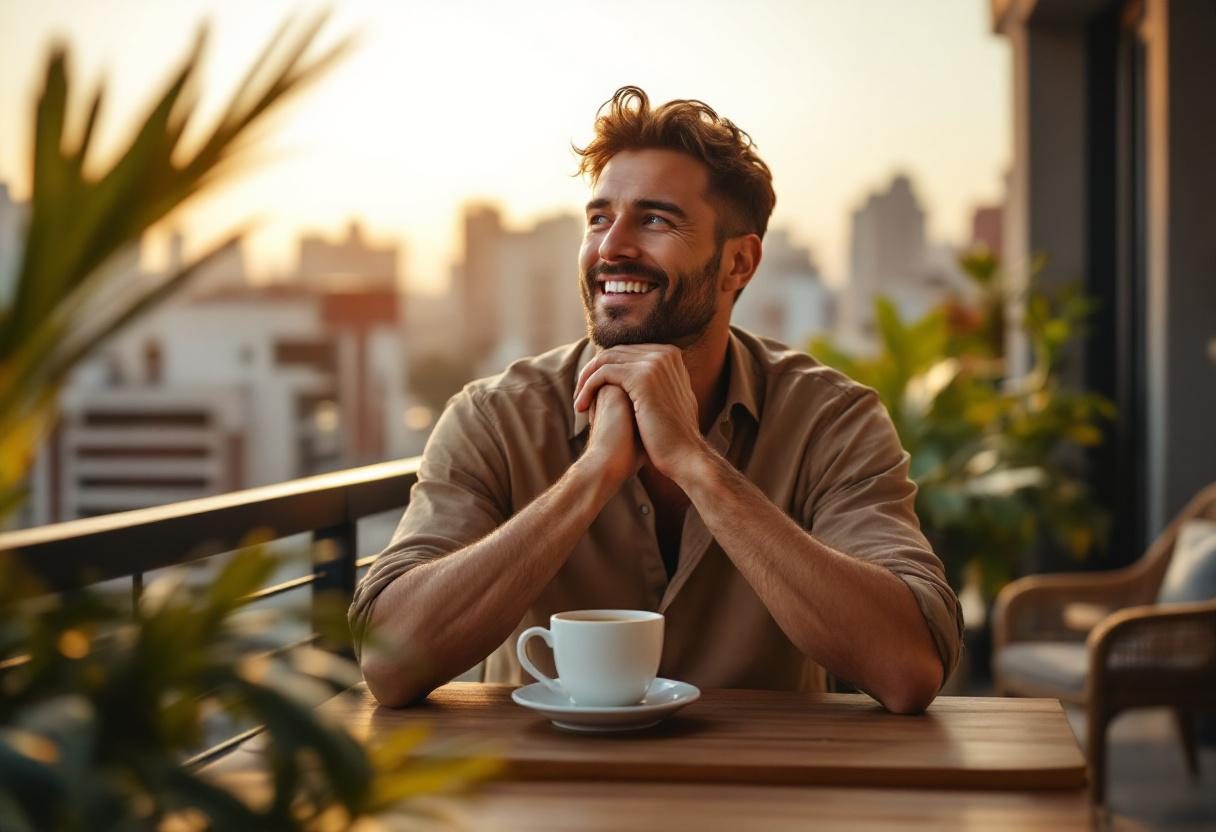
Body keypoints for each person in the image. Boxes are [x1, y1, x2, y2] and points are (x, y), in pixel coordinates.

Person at [350, 86, 962, 714]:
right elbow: (388, 664)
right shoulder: (495, 418)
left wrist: (697, 465)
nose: (611, 246)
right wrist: (592, 474)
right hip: (540, 771)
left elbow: (909, 668)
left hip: (761, 772)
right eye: (598, 219)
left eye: (655, 220)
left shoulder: (830, 419)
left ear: (739, 263)